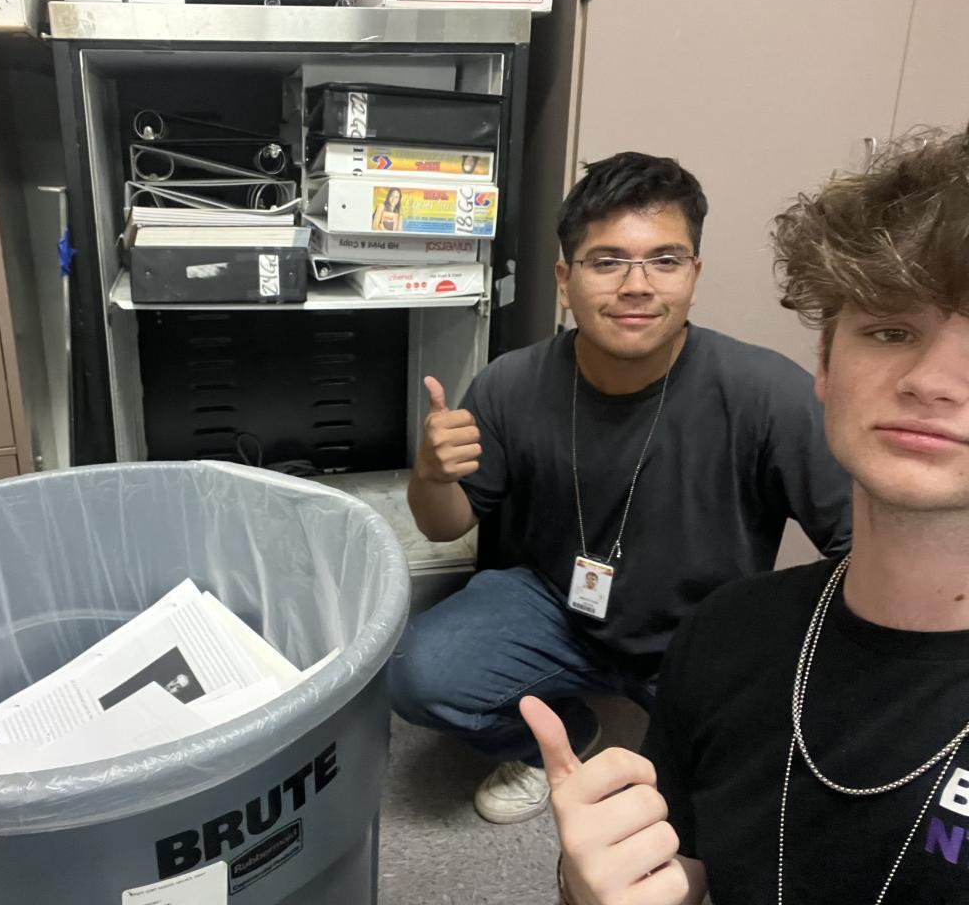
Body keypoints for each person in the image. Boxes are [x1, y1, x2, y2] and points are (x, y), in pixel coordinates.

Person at [525, 126, 969, 904]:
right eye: (891, 330)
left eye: (663, 261)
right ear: (825, 365)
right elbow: (684, 875)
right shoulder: (727, 636)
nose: (931, 380)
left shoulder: (750, 392)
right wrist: (590, 888)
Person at [391, 151, 853, 825]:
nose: (637, 286)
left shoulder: (768, 394)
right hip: (554, 606)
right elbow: (443, 524)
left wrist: (780, 650)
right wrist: (431, 475)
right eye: (606, 261)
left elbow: (859, 547)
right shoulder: (511, 383)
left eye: (664, 260)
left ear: (694, 275)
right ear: (564, 280)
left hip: (702, 632)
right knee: (416, 672)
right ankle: (563, 735)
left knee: (729, 809)